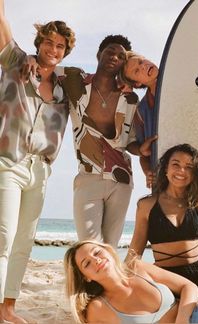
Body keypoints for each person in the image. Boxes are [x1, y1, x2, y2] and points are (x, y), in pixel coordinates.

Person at [0, 1, 76, 322]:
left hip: (41, 170)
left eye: (60, 46)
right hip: (8, 162)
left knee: (23, 242)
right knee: (3, 235)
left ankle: (9, 307)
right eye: (48, 42)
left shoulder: (68, 86)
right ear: (39, 42)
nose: (53, 49)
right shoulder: (17, 63)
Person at [61, 36, 155, 248]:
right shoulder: (74, 79)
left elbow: (129, 142)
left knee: (110, 248)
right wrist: (30, 59)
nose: (114, 57)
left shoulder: (130, 99)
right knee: (89, 246)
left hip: (121, 180)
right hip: (88, 176)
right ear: (99, 54)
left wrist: (141, 148)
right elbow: (46, 68)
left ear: (124, 64)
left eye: (121, 56)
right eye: (110, 51)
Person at [125, 139, 198, 297]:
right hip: (166, 282)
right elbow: (134, 252)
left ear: (194, 173)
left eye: (189, 167)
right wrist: (118, 283)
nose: (181, 171)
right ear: (165, 169)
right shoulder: (146, 205)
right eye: (175, 164)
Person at [64, 240, 198, 324]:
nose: (95, 260)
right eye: (86, 263)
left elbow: (188, 286)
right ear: (86, 276)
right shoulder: (98, 308)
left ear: (108, 251)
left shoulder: (137, 267)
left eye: (97, 252)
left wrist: (182, 320)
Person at [120, 51, 159, 188]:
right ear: (137, 84)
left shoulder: (179, 78)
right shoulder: (141, 111)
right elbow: (144, 155)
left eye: (142, 61)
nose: (143, 66)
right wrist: (148, 172)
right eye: (137, 71)